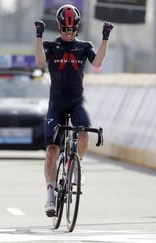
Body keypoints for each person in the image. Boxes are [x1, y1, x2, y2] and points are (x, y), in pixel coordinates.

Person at [34, 4, 113, 217]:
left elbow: (97, 63)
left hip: (77, 102)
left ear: (76, 28)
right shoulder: (51, 46)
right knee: (52, 150)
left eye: (71, 29)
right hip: (56, 104)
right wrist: (39, 37)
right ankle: (50, 196)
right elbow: (41, 61)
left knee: (85, 133)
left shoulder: (84, 46)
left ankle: (76, 167)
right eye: (64, 29)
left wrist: (105, 38)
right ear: (59, 28)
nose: (68, 33)